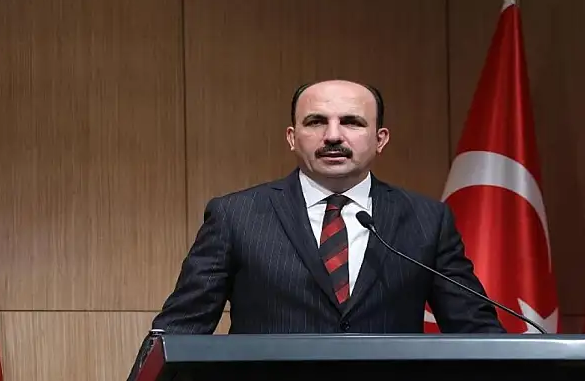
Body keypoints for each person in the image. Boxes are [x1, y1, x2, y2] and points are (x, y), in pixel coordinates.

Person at [126, 79, 505, 379]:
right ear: (293, 138)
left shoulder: (427, 219)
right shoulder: (236, 215)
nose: (333, 136)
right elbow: (179, 332)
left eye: (352, 122)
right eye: (316, 122)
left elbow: (477, 332)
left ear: (380, 139)